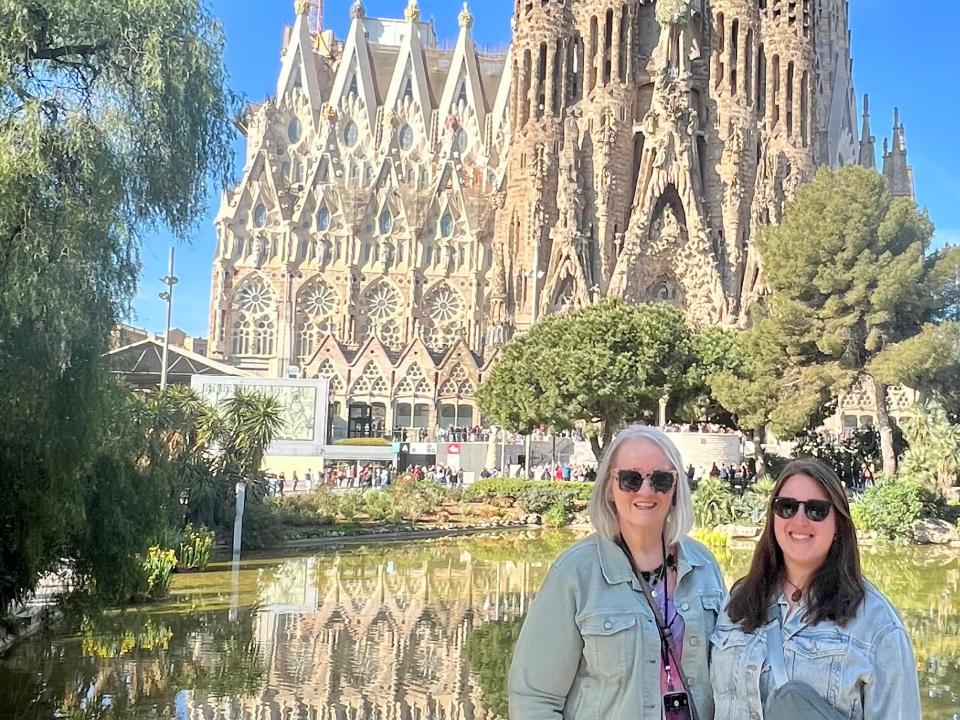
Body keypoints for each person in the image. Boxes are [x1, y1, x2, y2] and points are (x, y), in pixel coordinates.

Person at [509, 425, 726, 720]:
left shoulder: (704, 567)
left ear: (676, 489)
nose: (646, 491)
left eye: (661, 480)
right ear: (610, 488)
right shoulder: (575, 574)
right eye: (630, 479)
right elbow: (533, 700)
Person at [710, 458, 921, 719]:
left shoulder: (878, 626)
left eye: (816, 510)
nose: (799, 520)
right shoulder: (738, 602)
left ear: (838, 525)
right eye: (786, 507)